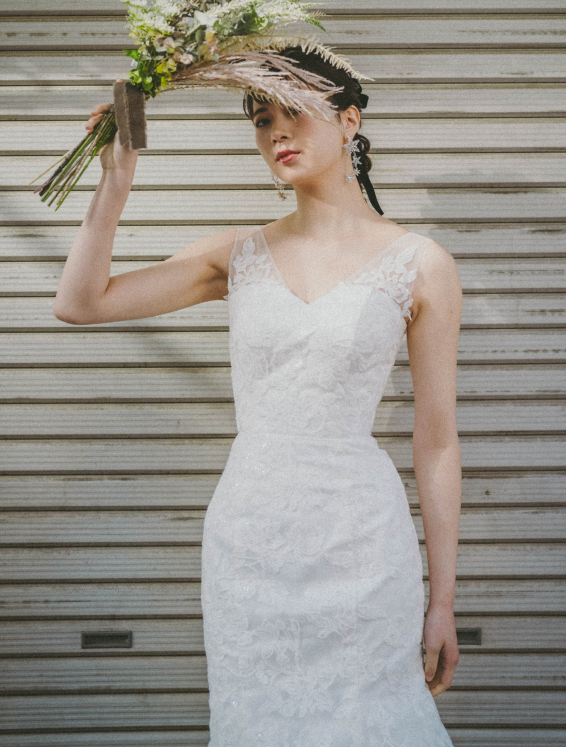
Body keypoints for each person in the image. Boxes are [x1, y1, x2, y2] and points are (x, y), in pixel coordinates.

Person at [53, 44, 462, 746]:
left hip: (362, 542)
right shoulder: (235, 254)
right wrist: (115, 182)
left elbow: (437, 439)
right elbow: (80, 302)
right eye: (261, 117)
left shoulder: (421, 263)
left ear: (349, 122)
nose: (277, 132)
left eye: (295, 113)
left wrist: (444, 600)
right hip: (250, 539)